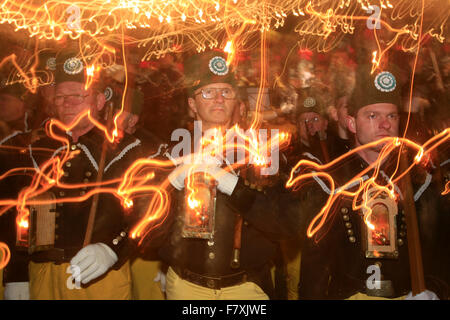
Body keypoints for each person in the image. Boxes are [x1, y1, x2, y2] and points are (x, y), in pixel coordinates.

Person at [141, 49, 302, 300]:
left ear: (237, 101)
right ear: (192, 104)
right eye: (208, 92)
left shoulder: (263, 154)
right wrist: (171, 183)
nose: (218, 99)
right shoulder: (171, 155)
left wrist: (232, 185)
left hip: (246, 290)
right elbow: (145, 230)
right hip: (185, 287)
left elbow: (286, 224)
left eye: (226, 92)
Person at [297, 63, 449, 300]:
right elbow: (315, 263)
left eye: (391, 116)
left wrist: (434, 289)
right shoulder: (332, 180)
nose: (385, 124)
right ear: (352, 124)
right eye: (372, 116)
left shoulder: (419, 179)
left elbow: (439, 245)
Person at [1, 49, 144, 300]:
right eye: (60, 97)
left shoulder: (126, 150)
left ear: (99, 102)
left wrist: (111, 249)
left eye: (78, 96)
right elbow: (15, 216)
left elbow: (146, 213)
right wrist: (16, 274)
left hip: (100, 278)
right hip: (42, 274)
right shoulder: (36, 149)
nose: (67, 103)